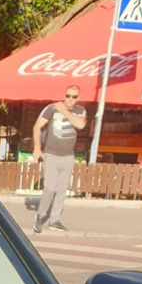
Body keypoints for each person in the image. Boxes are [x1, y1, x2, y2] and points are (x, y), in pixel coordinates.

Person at [32, 87, 86, 234]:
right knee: (50, 187)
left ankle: (55, 220)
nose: (70, 99)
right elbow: (37, 126)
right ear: (64, 95)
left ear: (78, 98)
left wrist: (64, 111)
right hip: (51, 154)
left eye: (74, 97)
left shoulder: (80, 110)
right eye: (68, 96)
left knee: (62, 189)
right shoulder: (52, 108)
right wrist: (37, 148)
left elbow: (80, 125)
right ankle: (40, 216)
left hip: (68, 155)